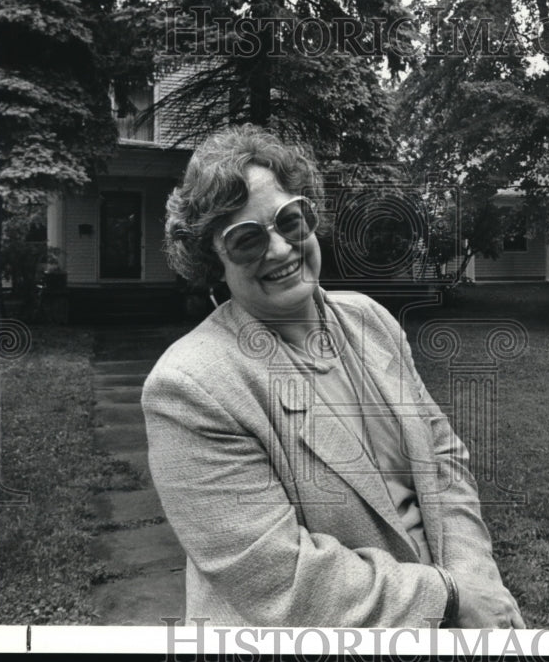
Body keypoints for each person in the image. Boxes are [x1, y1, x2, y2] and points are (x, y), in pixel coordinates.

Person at [142, 123, 524, 628]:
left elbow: (443, 458)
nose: (278, 250)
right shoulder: (190, 387)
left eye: (289, 220)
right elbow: (280, 581)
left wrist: (477, 579)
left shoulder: (369, 319)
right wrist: (449, 599)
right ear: (213, 262)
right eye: (246, 240)